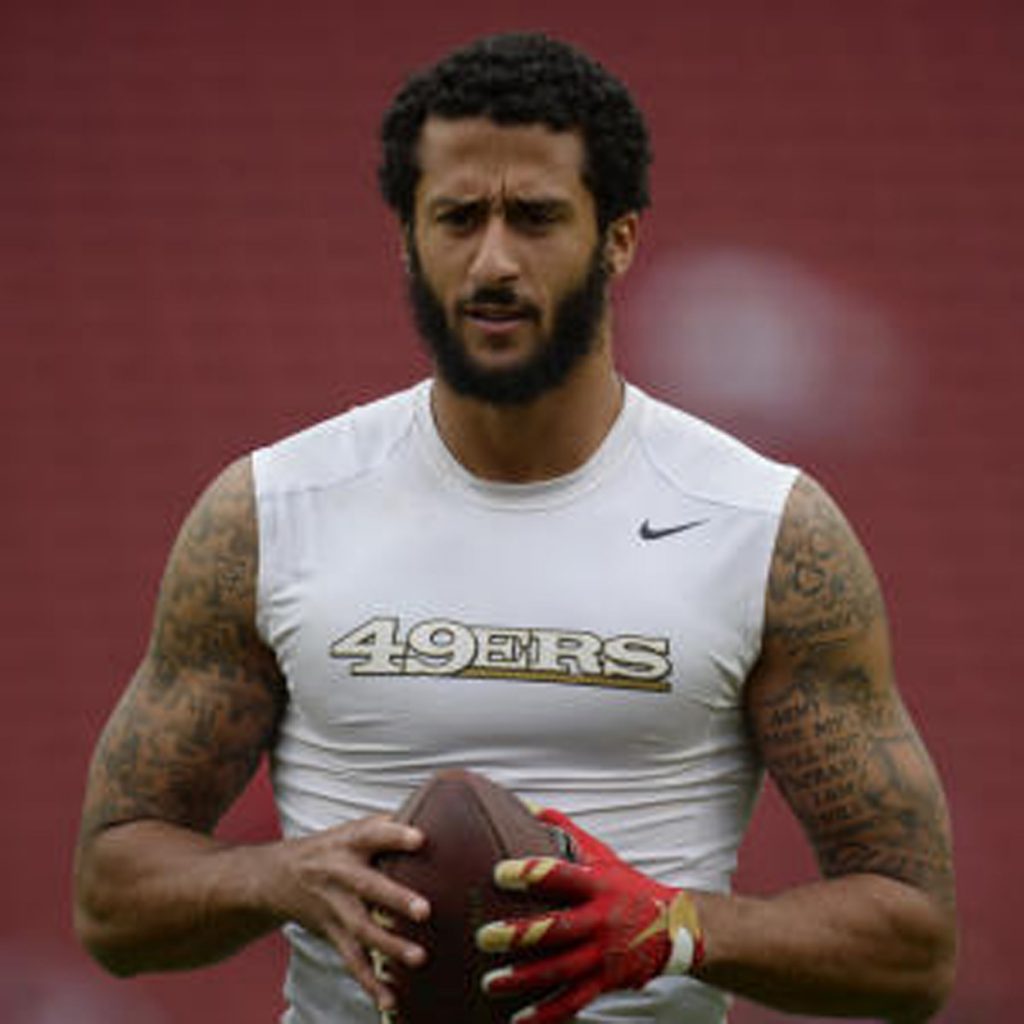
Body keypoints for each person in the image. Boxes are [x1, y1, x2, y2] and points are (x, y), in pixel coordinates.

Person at [73, 32, 957, 1024]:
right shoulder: (271, 510)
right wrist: (283, 875)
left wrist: (676, 925)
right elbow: (111, 897)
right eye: (457, 217)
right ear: (407, 237)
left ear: (617, 237)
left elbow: (913, 944)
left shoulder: (763, 528)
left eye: (534, 217)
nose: (492, 259)